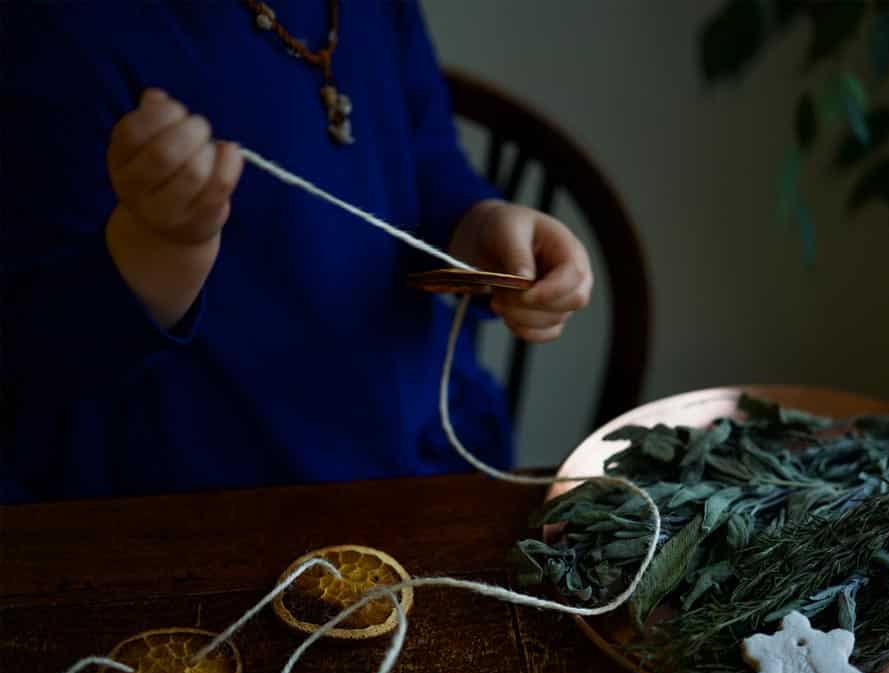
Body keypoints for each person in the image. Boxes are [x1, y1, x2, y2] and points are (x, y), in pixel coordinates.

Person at [0, 1, 593, 503]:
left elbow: (430, 167)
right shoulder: (60, 27)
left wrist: (485, 229)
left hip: (414, 458)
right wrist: (160, 250)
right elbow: (40, 347)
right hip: (204, 505)